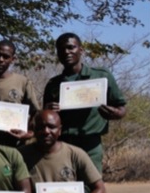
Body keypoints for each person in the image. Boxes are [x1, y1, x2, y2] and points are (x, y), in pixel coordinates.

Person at [42, 32, 127, 174]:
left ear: (81, 50)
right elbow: (43, 117)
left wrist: (116, 113)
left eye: (71, 47)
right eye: (61, 49)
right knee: (65, 186)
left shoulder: (101, 76)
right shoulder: (53, 84)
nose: (66, 52)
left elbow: (121, 107)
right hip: (63, 143)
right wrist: (47, 110)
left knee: (92, 185)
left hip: (90, 143)